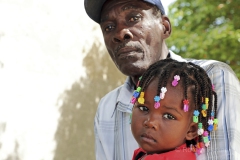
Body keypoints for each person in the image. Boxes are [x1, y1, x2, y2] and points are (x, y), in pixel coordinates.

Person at [84, 0, 240, 159]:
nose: (120, 33)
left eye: (134, 18)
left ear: (165, 27)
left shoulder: (212, 77)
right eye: (109, 27)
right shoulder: (107, 108)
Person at [130, 58, 218, 160]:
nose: (150, 122)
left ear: (191, 130)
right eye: (144, 108)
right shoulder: (144, 153)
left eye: (168, 116)